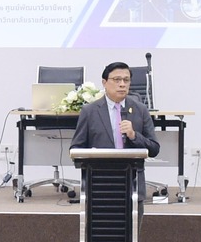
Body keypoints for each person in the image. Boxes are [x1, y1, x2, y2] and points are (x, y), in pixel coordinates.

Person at [68, 62, 160, 198]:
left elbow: (154, 149)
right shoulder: (90, 111)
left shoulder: (140, 110)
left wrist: (134, 136)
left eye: (126, 80)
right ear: (104, 82)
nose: (122, 84)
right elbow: (75, 149)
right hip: (99, 183)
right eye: (117, 80)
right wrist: (92, 156)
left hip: (132, 183)